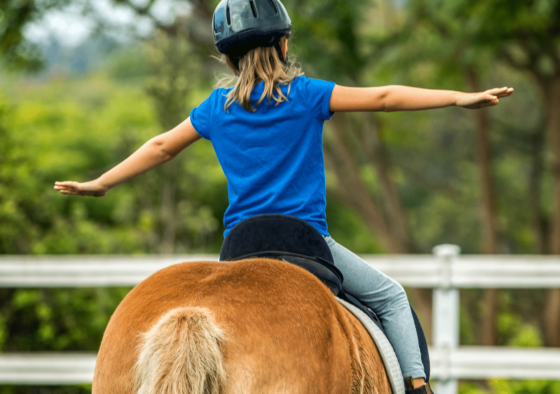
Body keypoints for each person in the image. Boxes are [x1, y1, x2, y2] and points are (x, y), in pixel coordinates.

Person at [54, 0, 513, 392]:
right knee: (391, 296)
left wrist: (102, 182)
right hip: (307, 243)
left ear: (230, 60)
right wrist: (457, 96)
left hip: (240, 245)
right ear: (284, 44)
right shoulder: (307, 95)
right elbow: (387, 97)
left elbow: (160, 147)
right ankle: (417, 386)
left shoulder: (215, 109)